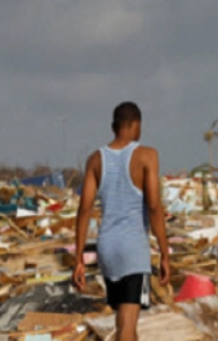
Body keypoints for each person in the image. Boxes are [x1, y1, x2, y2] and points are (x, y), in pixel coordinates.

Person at [73, 102, 171, 341]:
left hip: (107, 248)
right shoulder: (147, 155)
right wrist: (165, 252)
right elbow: (154, 206)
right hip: (133, 250)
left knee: (124, 321)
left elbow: (84, 209)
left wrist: (78, 259)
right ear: (136, 125)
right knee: (127, 326)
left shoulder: (95, 159)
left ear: (113, 127)